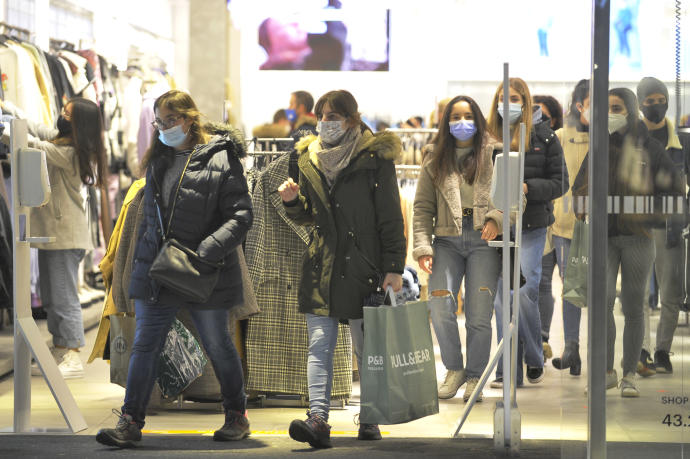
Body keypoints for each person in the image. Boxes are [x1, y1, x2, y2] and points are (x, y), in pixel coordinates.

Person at [95, 90, 253, 447]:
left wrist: (207, 250)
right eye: (159, 122)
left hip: (206, 270)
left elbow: (241, 215)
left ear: (189, 118)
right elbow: (150, 219)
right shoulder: (159, 159)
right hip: (161, 269)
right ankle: (131, 421)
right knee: (144, 345)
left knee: (217, 344)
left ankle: (236, 415)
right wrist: (144, 262)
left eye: (170, 120)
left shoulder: (221, 156)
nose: (165, 128)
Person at [278, 89, 406, 448]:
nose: (325, 123)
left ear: (351, 119)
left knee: (367, 349)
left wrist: (394, 266)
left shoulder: (374, 158)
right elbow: (310, 215)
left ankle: (371, 416)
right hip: (323, 264)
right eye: (321, 116)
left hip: (366, 266)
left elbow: (391, 217)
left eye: (332, 116)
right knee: (319, 345)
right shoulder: (307, 157)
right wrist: (292, 202)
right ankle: (318, 419)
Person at [573, 87, 683, 397]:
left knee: (634, 306)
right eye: (606, 107)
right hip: (603, 239)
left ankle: (630, 372)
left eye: (617, 107)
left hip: (639, 238)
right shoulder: (598, 148)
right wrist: (584, 205)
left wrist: (647, 216)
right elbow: (578, 187)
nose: (611, 113)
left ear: (631, 112)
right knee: (602, 302)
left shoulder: (650, 149)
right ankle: (605, 372)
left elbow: (674, 193)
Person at [1, 97, 107, 379]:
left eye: (67, 114)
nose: (62, 116)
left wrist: (7, 131)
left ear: (79, 123)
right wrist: (10, 108)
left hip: (65, 236)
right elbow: (40, 130)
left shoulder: (72, 153)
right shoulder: (66, 143)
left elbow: (37, 145)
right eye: (63, 111)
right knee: (51, 296)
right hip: (56, 235)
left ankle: (72, 353)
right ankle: (61, 348)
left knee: (62, 297)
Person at [413, 95, 505, 402]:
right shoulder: (434, 158)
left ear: (478, 119)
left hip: (483, 241)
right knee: (440, 307)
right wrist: (423, 247)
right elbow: (422, 208)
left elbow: (514, 198)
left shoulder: (496, 154)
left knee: (480, 313)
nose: (461, 122)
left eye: (467, 116)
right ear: (446, 121)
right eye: (454, 117)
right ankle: (454, 370)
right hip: (446, 240)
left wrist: (496, 218)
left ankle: (475, 375)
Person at [487, 77, 568, 388]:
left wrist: (527, 188)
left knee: (525, 290)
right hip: (496, 228)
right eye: (504, 97)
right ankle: (506, 370)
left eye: (516, 97)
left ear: (526, 101)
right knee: (501, 299)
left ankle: (534, 357)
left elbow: (562, 182)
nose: (509, 103)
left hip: (532, 224)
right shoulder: (489, 137)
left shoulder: (545, 138)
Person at [636, 77, 689, 375]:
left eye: (660, 99)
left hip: (671, 226)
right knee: (639, 292)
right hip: (638, 225)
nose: (656, 105)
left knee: (671, 291)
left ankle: (662, 351)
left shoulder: (683, 142)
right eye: (649, 100)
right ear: (640, 103)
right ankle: (641, 348)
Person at [548, 79, 590, 376]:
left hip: (601, 226)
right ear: (580, 105)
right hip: (566, 226)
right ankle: (571, 347)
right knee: (570, 288)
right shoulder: (561, 136)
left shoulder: (612, 138)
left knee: (598, 292)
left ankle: (593, 353)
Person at [532, 94, 564, 361]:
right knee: (538, 283)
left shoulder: (557, 140)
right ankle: (537, 340)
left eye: (544, 115)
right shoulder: (528, 143)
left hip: (562, 225)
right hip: (537, 223)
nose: (538, 119)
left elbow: (561, 181)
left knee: (553, 286)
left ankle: (544, 339)